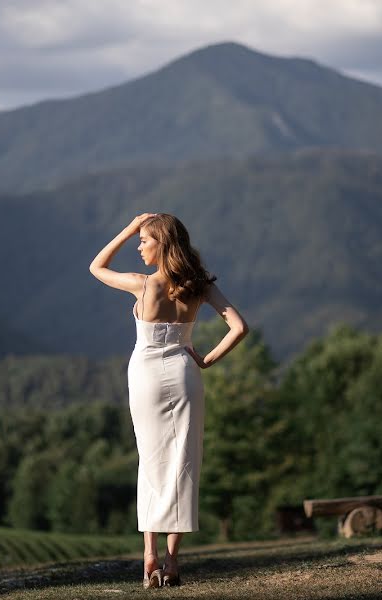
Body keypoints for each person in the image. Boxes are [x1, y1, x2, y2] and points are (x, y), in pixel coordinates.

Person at [89, 212, 249, 588]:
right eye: (139, 239)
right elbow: (239, 327)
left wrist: (126, 228)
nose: (140, 246)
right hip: (184, 372)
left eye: (145, 240)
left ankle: (149, 557)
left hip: (145, 376)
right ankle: (173, 562)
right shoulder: (199, 286)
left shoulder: (143, 286)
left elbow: (97, 266)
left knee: (151, 460)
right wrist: (207, 359)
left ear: (162, 244)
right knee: (182, 462)